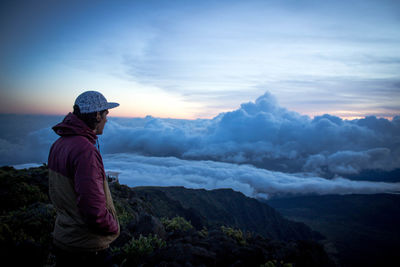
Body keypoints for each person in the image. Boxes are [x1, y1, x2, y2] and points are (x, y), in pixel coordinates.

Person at [48, 91, 120, 266]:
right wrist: (113, 227)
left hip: (64, 238)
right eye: (105, 114)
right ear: (97, 115)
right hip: (86, 248)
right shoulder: (84, 150)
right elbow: (93, 210)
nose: (107, 119)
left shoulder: (59, 144)